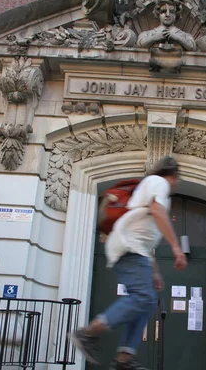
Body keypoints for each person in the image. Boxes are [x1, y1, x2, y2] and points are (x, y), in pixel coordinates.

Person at [69, 156, 188, 370]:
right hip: (126, 246)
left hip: (134, 249)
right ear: (172, 175)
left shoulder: (153, 187)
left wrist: (154, 272)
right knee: (143, 296)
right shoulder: (158, 182)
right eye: (178, 178)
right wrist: (176, 248)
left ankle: (124, 358)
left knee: (148, 301)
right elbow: (158, 214)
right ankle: (88, 333)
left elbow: (144, 236)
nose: (178, 183)